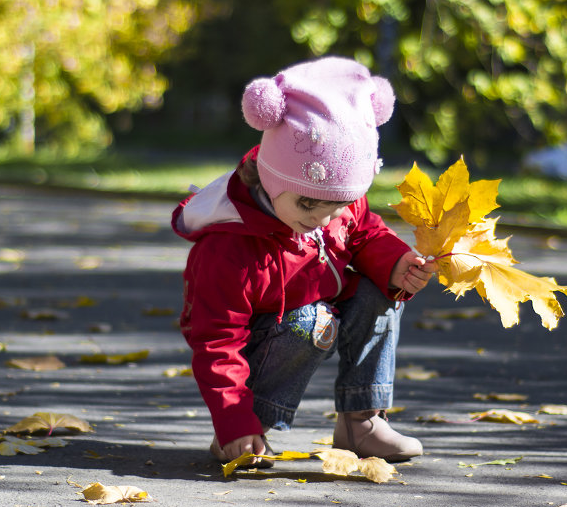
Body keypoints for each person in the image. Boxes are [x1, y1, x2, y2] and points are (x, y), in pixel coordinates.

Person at [172, 56, 437, 466]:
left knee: (378, 290)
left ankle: (361, 419)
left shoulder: (331, 206)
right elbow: (217, 341)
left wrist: (396, 262)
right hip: (270, 335)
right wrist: (233, 420)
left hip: (319, 306)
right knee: (313, 322)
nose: (321, 219)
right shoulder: (228, 248)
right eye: (308, 205)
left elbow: (365, 231)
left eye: (337, 208)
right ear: (273, 178)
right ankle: (252, 427)